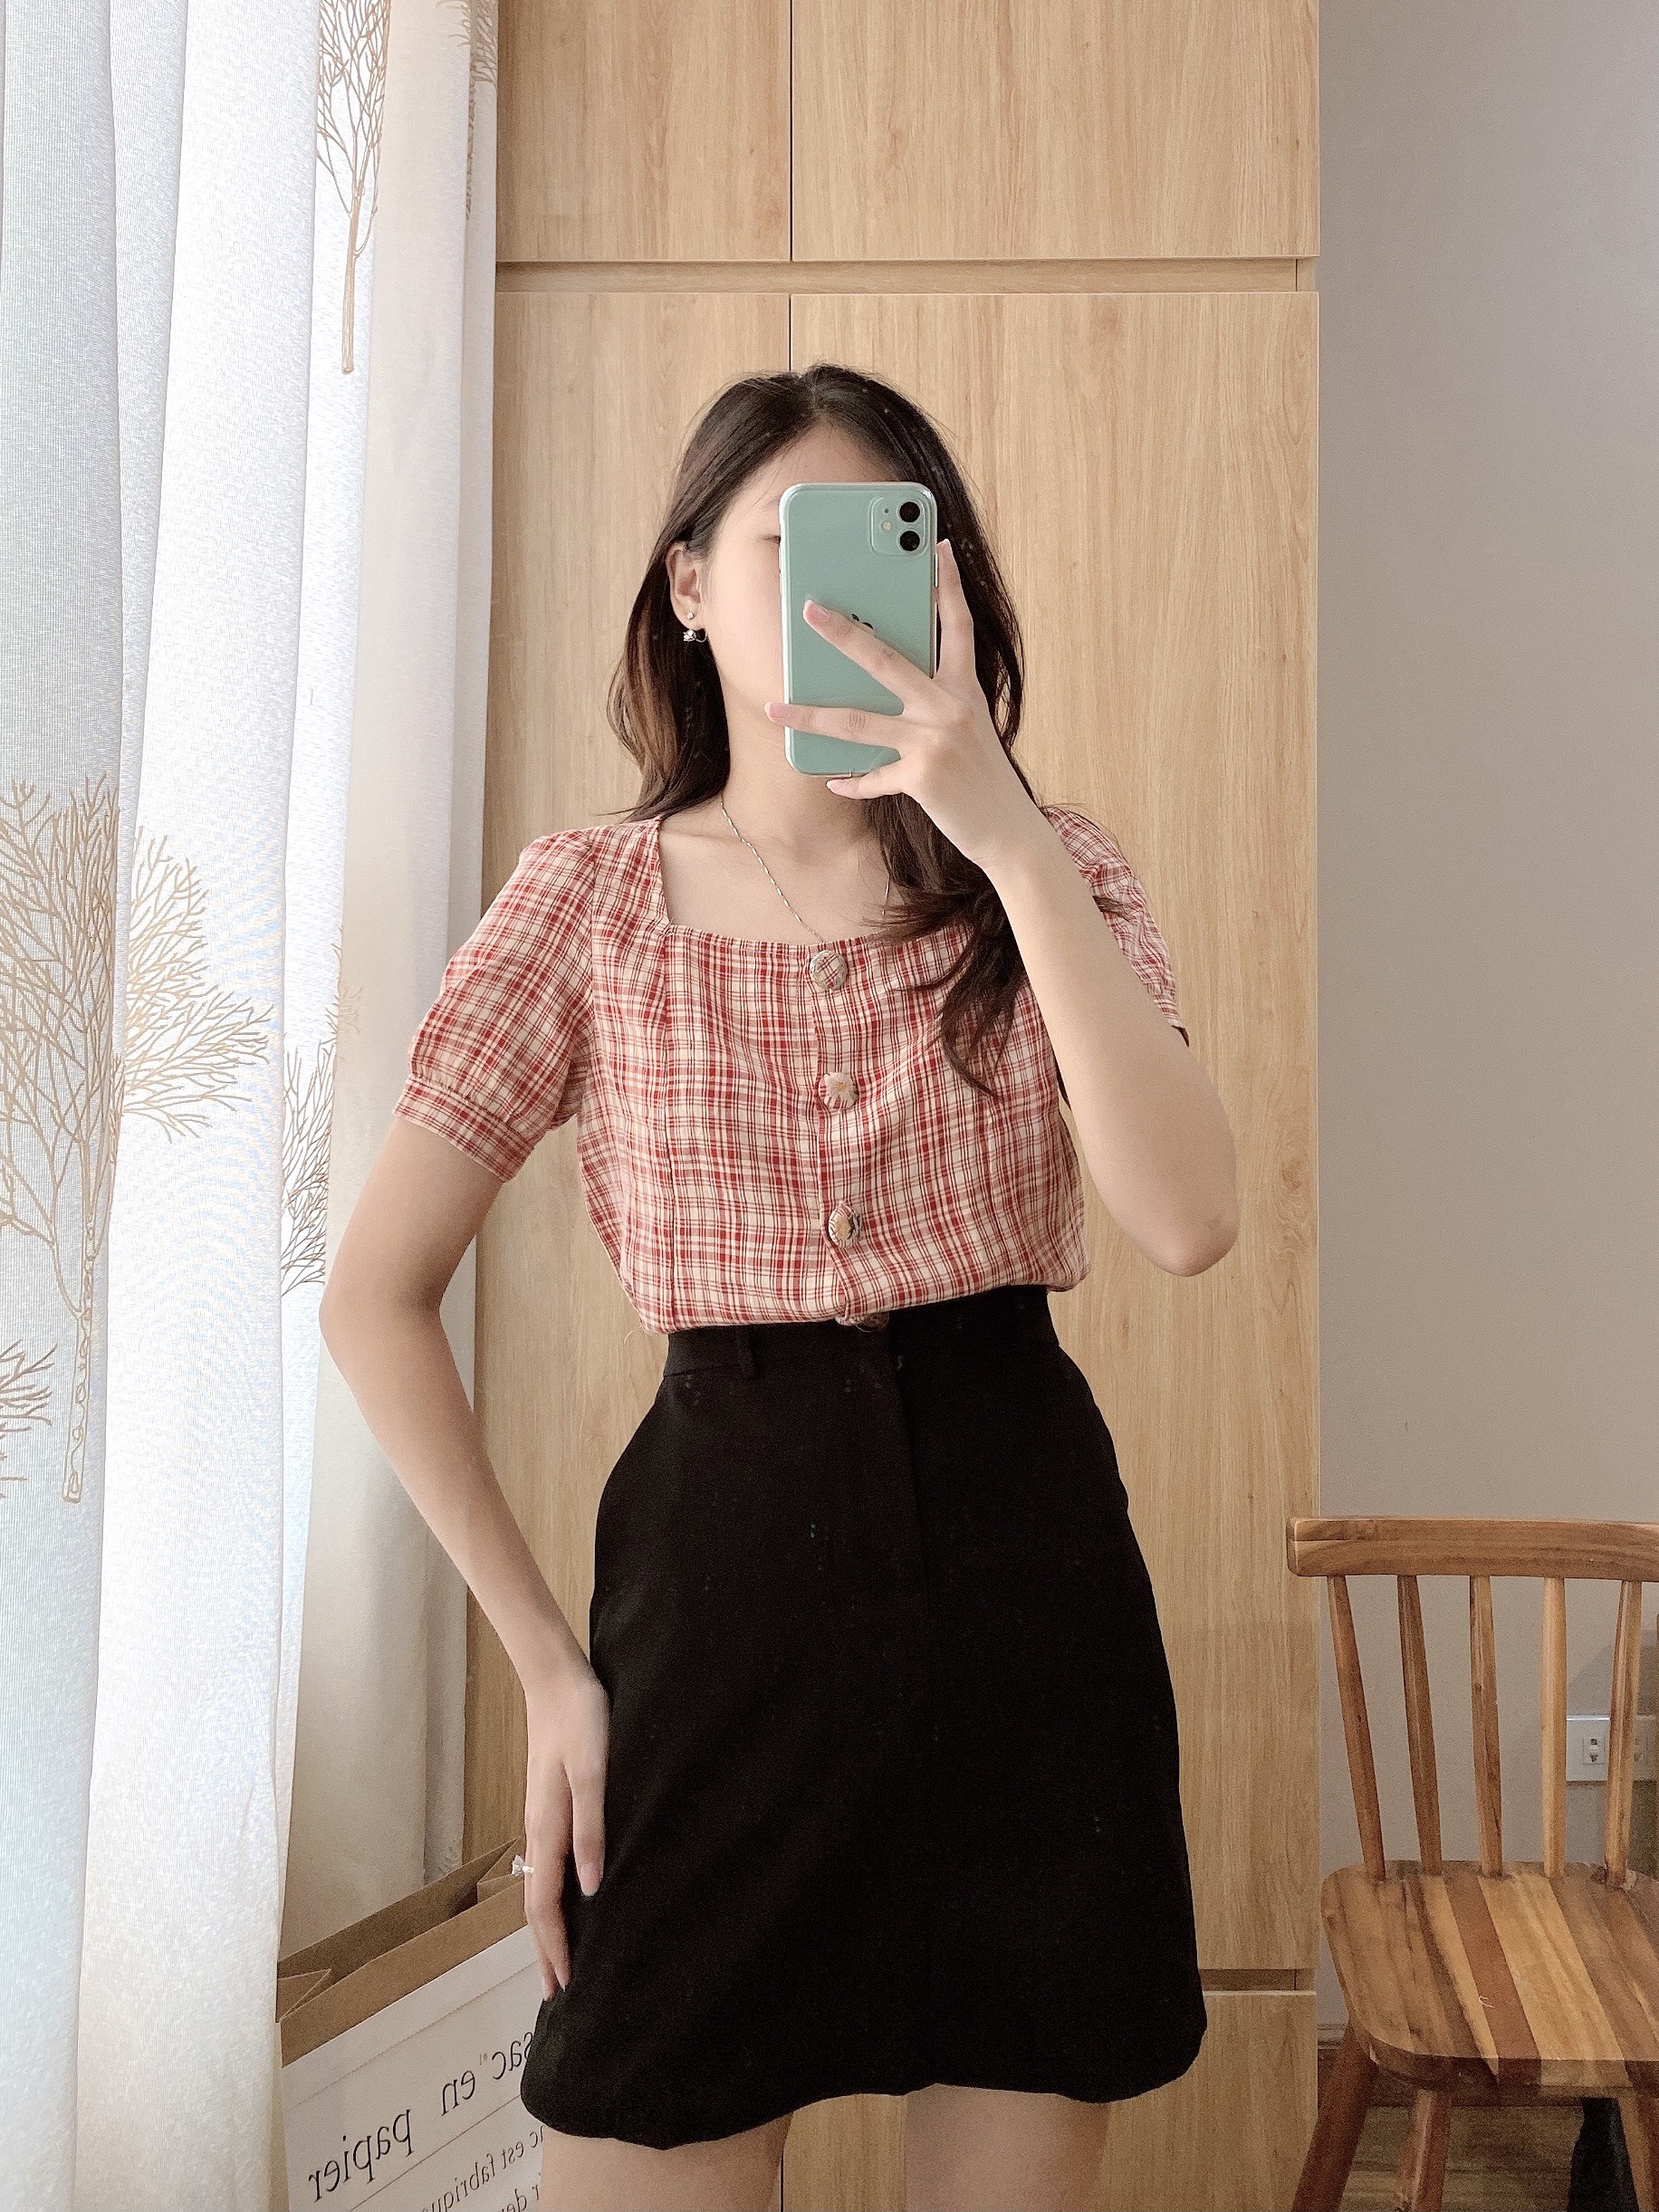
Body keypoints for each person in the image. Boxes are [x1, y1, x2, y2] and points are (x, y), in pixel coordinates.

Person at [320, 360, 1239, 2212]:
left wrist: (1000, 830)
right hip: (714, 1622)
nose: (837, 595)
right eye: (782, 543)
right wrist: (547, 1668)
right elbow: (372, 1295)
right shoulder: (587, 901)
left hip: (1028, 1606)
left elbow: (1189, 1216)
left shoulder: (1050, 876)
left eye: (891, 544)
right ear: (684, 584)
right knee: (644, 2117)